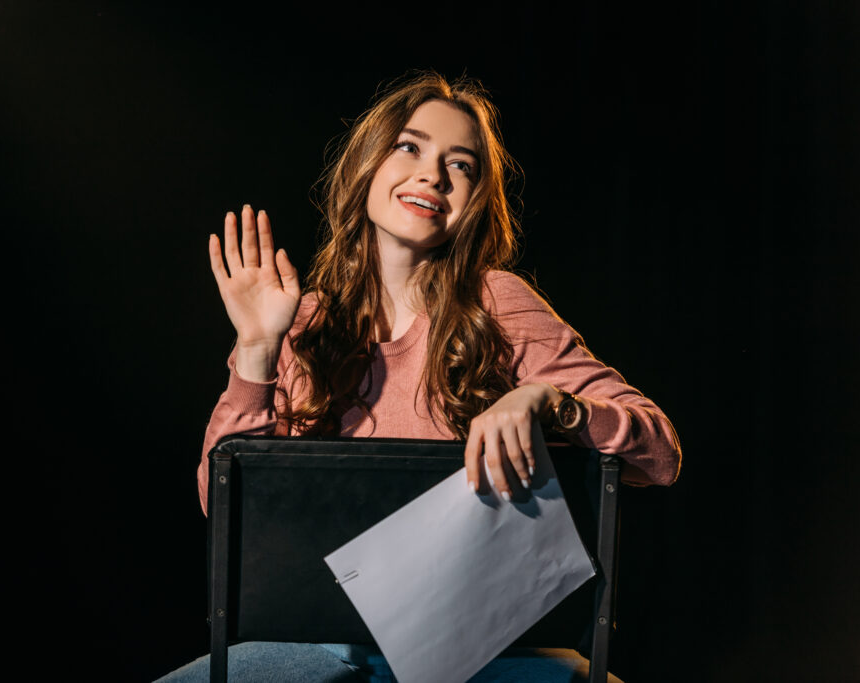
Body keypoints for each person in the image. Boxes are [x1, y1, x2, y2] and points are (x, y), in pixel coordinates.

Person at [157, 70, 680, 682]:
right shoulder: (301, 325)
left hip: (478, 652)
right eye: (410, 147)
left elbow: (659, 453)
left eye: (460, 165)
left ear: (475, 200)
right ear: (367, 166)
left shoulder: (497, 303)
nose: (433, 174)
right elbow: (224, 513)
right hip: (319, 647)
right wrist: (256, 348)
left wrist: (547, 401)